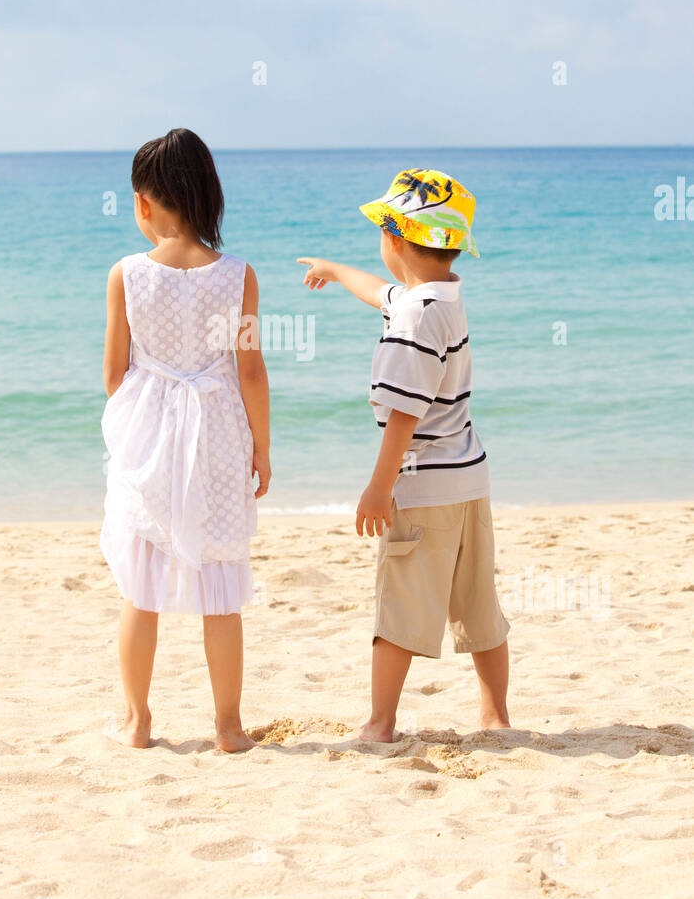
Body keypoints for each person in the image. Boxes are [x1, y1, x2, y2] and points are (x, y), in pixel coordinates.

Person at [298, 168, 510, 740]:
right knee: (478, 603)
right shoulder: (440, 300)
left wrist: (378, 485)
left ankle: (381, 721)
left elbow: (404, 415)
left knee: (400, 604)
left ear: (393, 238)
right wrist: (336, 271)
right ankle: (495, 716)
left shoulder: (415, 317)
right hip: (469, 476)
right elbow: (381, 293)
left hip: (423, 485)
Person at [101, 128, 271, 752]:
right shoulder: (238, 276)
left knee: (139, 586)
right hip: (219, 429)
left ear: (144, 204)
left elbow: (114, 372)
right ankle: (228, 725)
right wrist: (262, 444)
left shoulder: (126, 275)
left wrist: (142, 412)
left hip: (151, 429)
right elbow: (249, 367)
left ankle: (138, 720)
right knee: (220, 586)